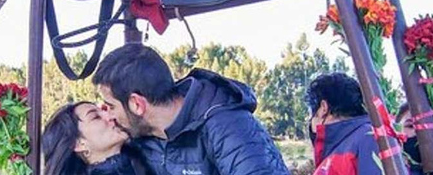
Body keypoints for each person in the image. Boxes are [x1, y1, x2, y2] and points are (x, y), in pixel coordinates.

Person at [93, 43, 289, 175]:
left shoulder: (227, 126)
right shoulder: (140, 139)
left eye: (110, 106)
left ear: (137, 104)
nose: (107, 115)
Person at [42, 101, 149, 175]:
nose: (110, 115)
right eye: (96, 117)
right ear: (79, 144)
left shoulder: (150, 156)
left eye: (104, 110)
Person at [305, 72, 381, 175]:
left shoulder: (369, 137)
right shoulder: (347, 144)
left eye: (311, 114)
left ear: (323, 108)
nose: (310, 122)